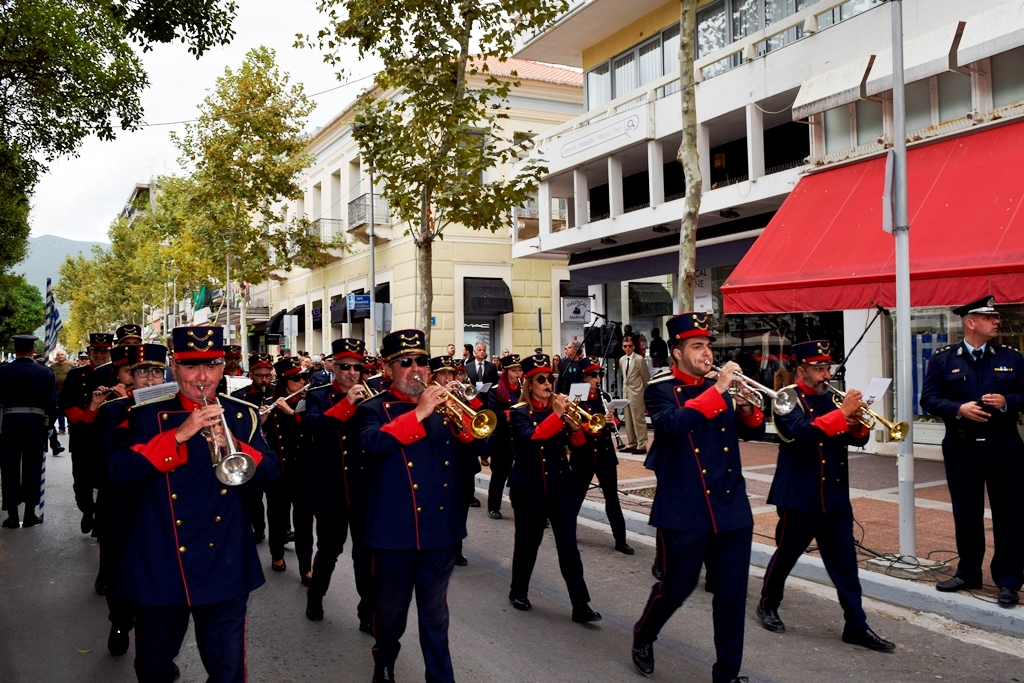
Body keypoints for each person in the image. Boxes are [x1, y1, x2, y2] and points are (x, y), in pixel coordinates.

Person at [108, 325, 279, 683]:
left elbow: (271, 475)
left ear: (224, 368)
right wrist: (180, 435)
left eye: (212, 365)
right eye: (190, 366)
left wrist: (234, 443)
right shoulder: (144, 414)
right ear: (174, 366)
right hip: (162, 559)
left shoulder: (242, 414)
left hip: (225, 561)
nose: (202, 377)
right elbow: (120, 472)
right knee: (153, 667)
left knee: (228, 672)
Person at [631, 312, 766, 682]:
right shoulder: (659, 389)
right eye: (697, 346)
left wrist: (747, 405)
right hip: (686, 506)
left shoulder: (719, 387)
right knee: (676, 587)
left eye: (707, 345)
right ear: (677, 353)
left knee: (732, 596)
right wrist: (719, 391)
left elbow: (754, 431)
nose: (706, 353)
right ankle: (644, 634)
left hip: (731, 506)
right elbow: (675, 425)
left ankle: (727, 674)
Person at [755, 340, 895, 651]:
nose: (825, 374)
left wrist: (857, 422)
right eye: (818, 369)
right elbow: (800, 432)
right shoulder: (785, 398)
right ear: (801, 370)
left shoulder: (834, 399)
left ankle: (856, 625)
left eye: (827, 368)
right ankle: (767, 604)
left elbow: (854, 440)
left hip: (833, 493)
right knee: (787, 555)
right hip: (800, 494)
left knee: (845, 564)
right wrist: (842, 414)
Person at [357, 329, 474, 683]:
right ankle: (385, 660)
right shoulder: (371, 409)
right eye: (405, 363)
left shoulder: (445, 408)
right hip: (395, 534)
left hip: (440, 532)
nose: (415, 369)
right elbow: (373, 444)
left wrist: (467, 418)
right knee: (391, 614)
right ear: (388, 369)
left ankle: (440, 678)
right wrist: (420, 413)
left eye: (421, 361)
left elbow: (476, 450)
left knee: (436, 615)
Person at [920, 296, 1024, 608]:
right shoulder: (943, 359)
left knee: (1010, 514)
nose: (996, 322)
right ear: (970, 322)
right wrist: (958, 409)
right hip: (962, 446)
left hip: (1003, 444)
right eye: (989, 317)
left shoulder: (1012, 357)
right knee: (966, 513)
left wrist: (1006, 403)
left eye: (996, 318)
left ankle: (1008, 581)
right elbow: (928, 400)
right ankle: (968, 573)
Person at [507, 353, 602, 623]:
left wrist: (573, 426)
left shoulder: (560, 411)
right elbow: (532, 437)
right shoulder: (518, 413)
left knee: (568, 546)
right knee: (528, 544)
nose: (547, 384)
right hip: (529, 488)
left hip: (560, 487)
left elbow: (580, 446)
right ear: (529, 384)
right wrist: (559, 415)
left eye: (550, 378)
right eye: (541, 380)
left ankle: (580, 604)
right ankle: (518, 590)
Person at [92, 343, 168, 655]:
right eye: (142, 373)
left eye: (156, 372)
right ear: (130, 379)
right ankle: (120, 621)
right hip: (122, 503)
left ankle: (159, 650)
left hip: (163, 502)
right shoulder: (112, 411)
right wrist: (134, 417)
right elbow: (101, 456)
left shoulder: (175, 410)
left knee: (162, 574)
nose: (150, 380)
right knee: (119, 569)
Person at [304, 338, 373, 628]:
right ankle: (315, 597)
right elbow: (313, 426)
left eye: (357, 368)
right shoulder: (318, 395)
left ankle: (366, 612)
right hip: (331, 488)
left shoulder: (371, 397)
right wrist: (347, 404)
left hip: (362, 488)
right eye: (345, 367)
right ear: (333, 367)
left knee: (365, 554)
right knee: (330, 550)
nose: (352, 373)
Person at [571, 356, 633, 555]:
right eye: (594, 376)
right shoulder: (576, 394)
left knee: (612, 498)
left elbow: (615, 419)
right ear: (585, 377)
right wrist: (591, 426)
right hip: (584, 453)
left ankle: (620, 539)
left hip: (605, 453)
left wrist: (611, 419)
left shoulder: (604, 396)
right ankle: (568, 533)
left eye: (599, 375)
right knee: (576, 496)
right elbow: (571, 423)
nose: (598, 379)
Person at [0, 334, 57, 529]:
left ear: (15, 350)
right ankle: (30, 513)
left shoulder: (2, 371)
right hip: (35, 423)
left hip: (8, 422)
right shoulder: (46, 373)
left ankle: (13, 515)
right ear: (33, 351)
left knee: (9, 468)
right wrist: (50, 428)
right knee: (33, 467)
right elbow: (52, 403)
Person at [262, 357, 311, 580]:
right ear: (283, 382)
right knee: (277, 516)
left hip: (302, 472)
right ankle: (277, 554)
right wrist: (262, 419)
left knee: (304, 522)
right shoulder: (270, 404)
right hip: (279, 472)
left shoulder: (310, 402)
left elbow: (314, 428)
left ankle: (305, 567)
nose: (302, 382)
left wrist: (291, 412)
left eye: (304, 377)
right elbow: (256, 438)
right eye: (296, 379)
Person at [59, 332, 113, 533]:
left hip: (107, 434)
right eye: (95, 350)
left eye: (104, 350)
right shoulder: (76, 374)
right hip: (83, 433)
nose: (99, 354)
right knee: (81, 482)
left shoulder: (114, 373)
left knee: (106, 480)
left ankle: (101, 515)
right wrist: (85, 417)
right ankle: (88, 510)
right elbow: (65, 403)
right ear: (89, 351)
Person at [231, 352, 275, 544]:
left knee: (277, 499)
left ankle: (283, 531)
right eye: (260, 376)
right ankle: (258, 528)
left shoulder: (277, 393)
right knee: (254, 495)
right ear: (252, 375)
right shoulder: (239, 397)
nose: (264, 380)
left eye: (268, 376)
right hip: (251, 450)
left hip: (274, 450)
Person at [484, 353, 522, 519]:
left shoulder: (524, 390)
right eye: (514, 371)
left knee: (523, 476)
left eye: (519, 370)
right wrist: (511, 414)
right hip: (502, 439)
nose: (518, 374)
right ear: (507, 372)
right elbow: (494, 412)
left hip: (521, 438)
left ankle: (525, 508)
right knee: (499, 475)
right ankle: (494, 506)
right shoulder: (496, 390)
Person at [618, 336, 651, 455]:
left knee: (638, 419)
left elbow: (645, 377)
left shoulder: (639, 359)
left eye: (630, 346)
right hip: (626, 392)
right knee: (628, 419)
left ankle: (642, 444)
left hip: (637, 393)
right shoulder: (622, 360)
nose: (627, 348)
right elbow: (624, 377)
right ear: (622, 347)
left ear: (634, 347)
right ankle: (632, 443)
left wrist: (646, 393)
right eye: (625, 346)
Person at [48, 349, 73, 435]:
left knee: (69, 409)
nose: (60, 356)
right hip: (57, 392)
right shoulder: (52, 367)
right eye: (58, 355)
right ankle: (61, 428)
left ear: (65, 356)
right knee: (59, 410)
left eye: (62, 354)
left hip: (68, 392)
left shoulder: (71, 366)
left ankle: (70, 427)